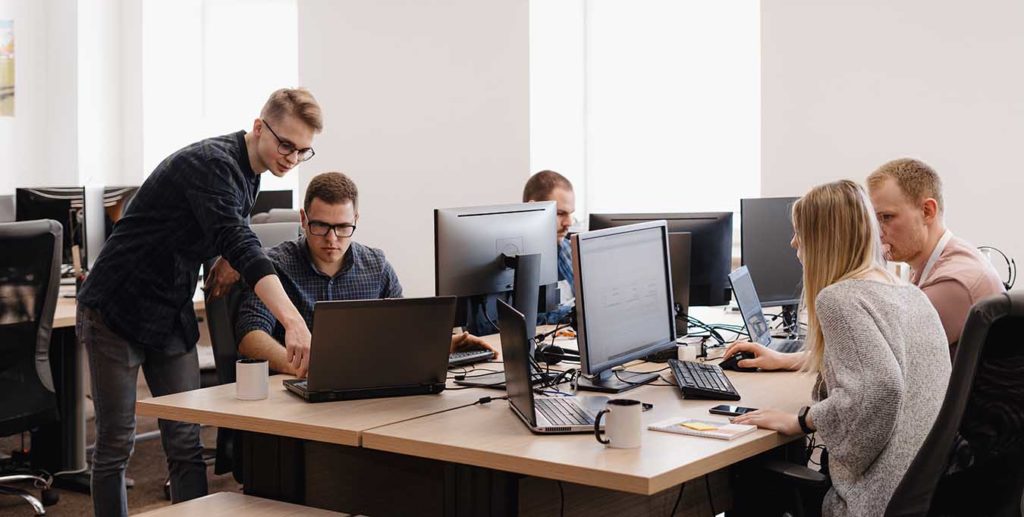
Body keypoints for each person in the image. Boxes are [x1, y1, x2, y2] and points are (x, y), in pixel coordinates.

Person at [76, 88, 322, 516]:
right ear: (259, 127)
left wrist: (224, 254)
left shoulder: (252, 170)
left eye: (303, 151)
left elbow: (216, 228)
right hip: (116, 306)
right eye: (286, 145)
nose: (292, 158)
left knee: (186, 439)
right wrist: (294, 321)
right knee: (116, 443)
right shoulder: (211, 163)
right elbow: (240, 240)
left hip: (169, 311)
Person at [724, 180, 951, 516]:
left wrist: (802, 421)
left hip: (876, 500)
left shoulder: (840, 298)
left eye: (800, 232)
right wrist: (790, 362)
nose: (793, 242)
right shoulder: (909, 293)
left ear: (822, 239)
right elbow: (883, 370)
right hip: (926, 493)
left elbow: (881, 390)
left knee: (747, 478)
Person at [235, 172, 497, 374]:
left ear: (356, 220)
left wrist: (446, 344)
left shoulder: (376, 266)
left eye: (342, 227)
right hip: (300, 394)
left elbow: (402, 332)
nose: (332, 238)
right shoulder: (275, 266)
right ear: (304, 219)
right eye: (320, 226)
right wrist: (302, 367)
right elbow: (251, 337)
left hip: (366, 389)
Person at [866, 158, 1004, 350]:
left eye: (887, 217)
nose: (879, 232)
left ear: (927, 211)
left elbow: (880, 356)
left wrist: (866, 269)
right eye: (875, 220)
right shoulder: (932, 266)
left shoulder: (953, 283)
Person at [522, 170, 576, 325]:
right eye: (560, 213)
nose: (569, 223)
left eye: (570, 214)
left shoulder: (567, 249)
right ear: (533, 209)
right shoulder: (512, 261)